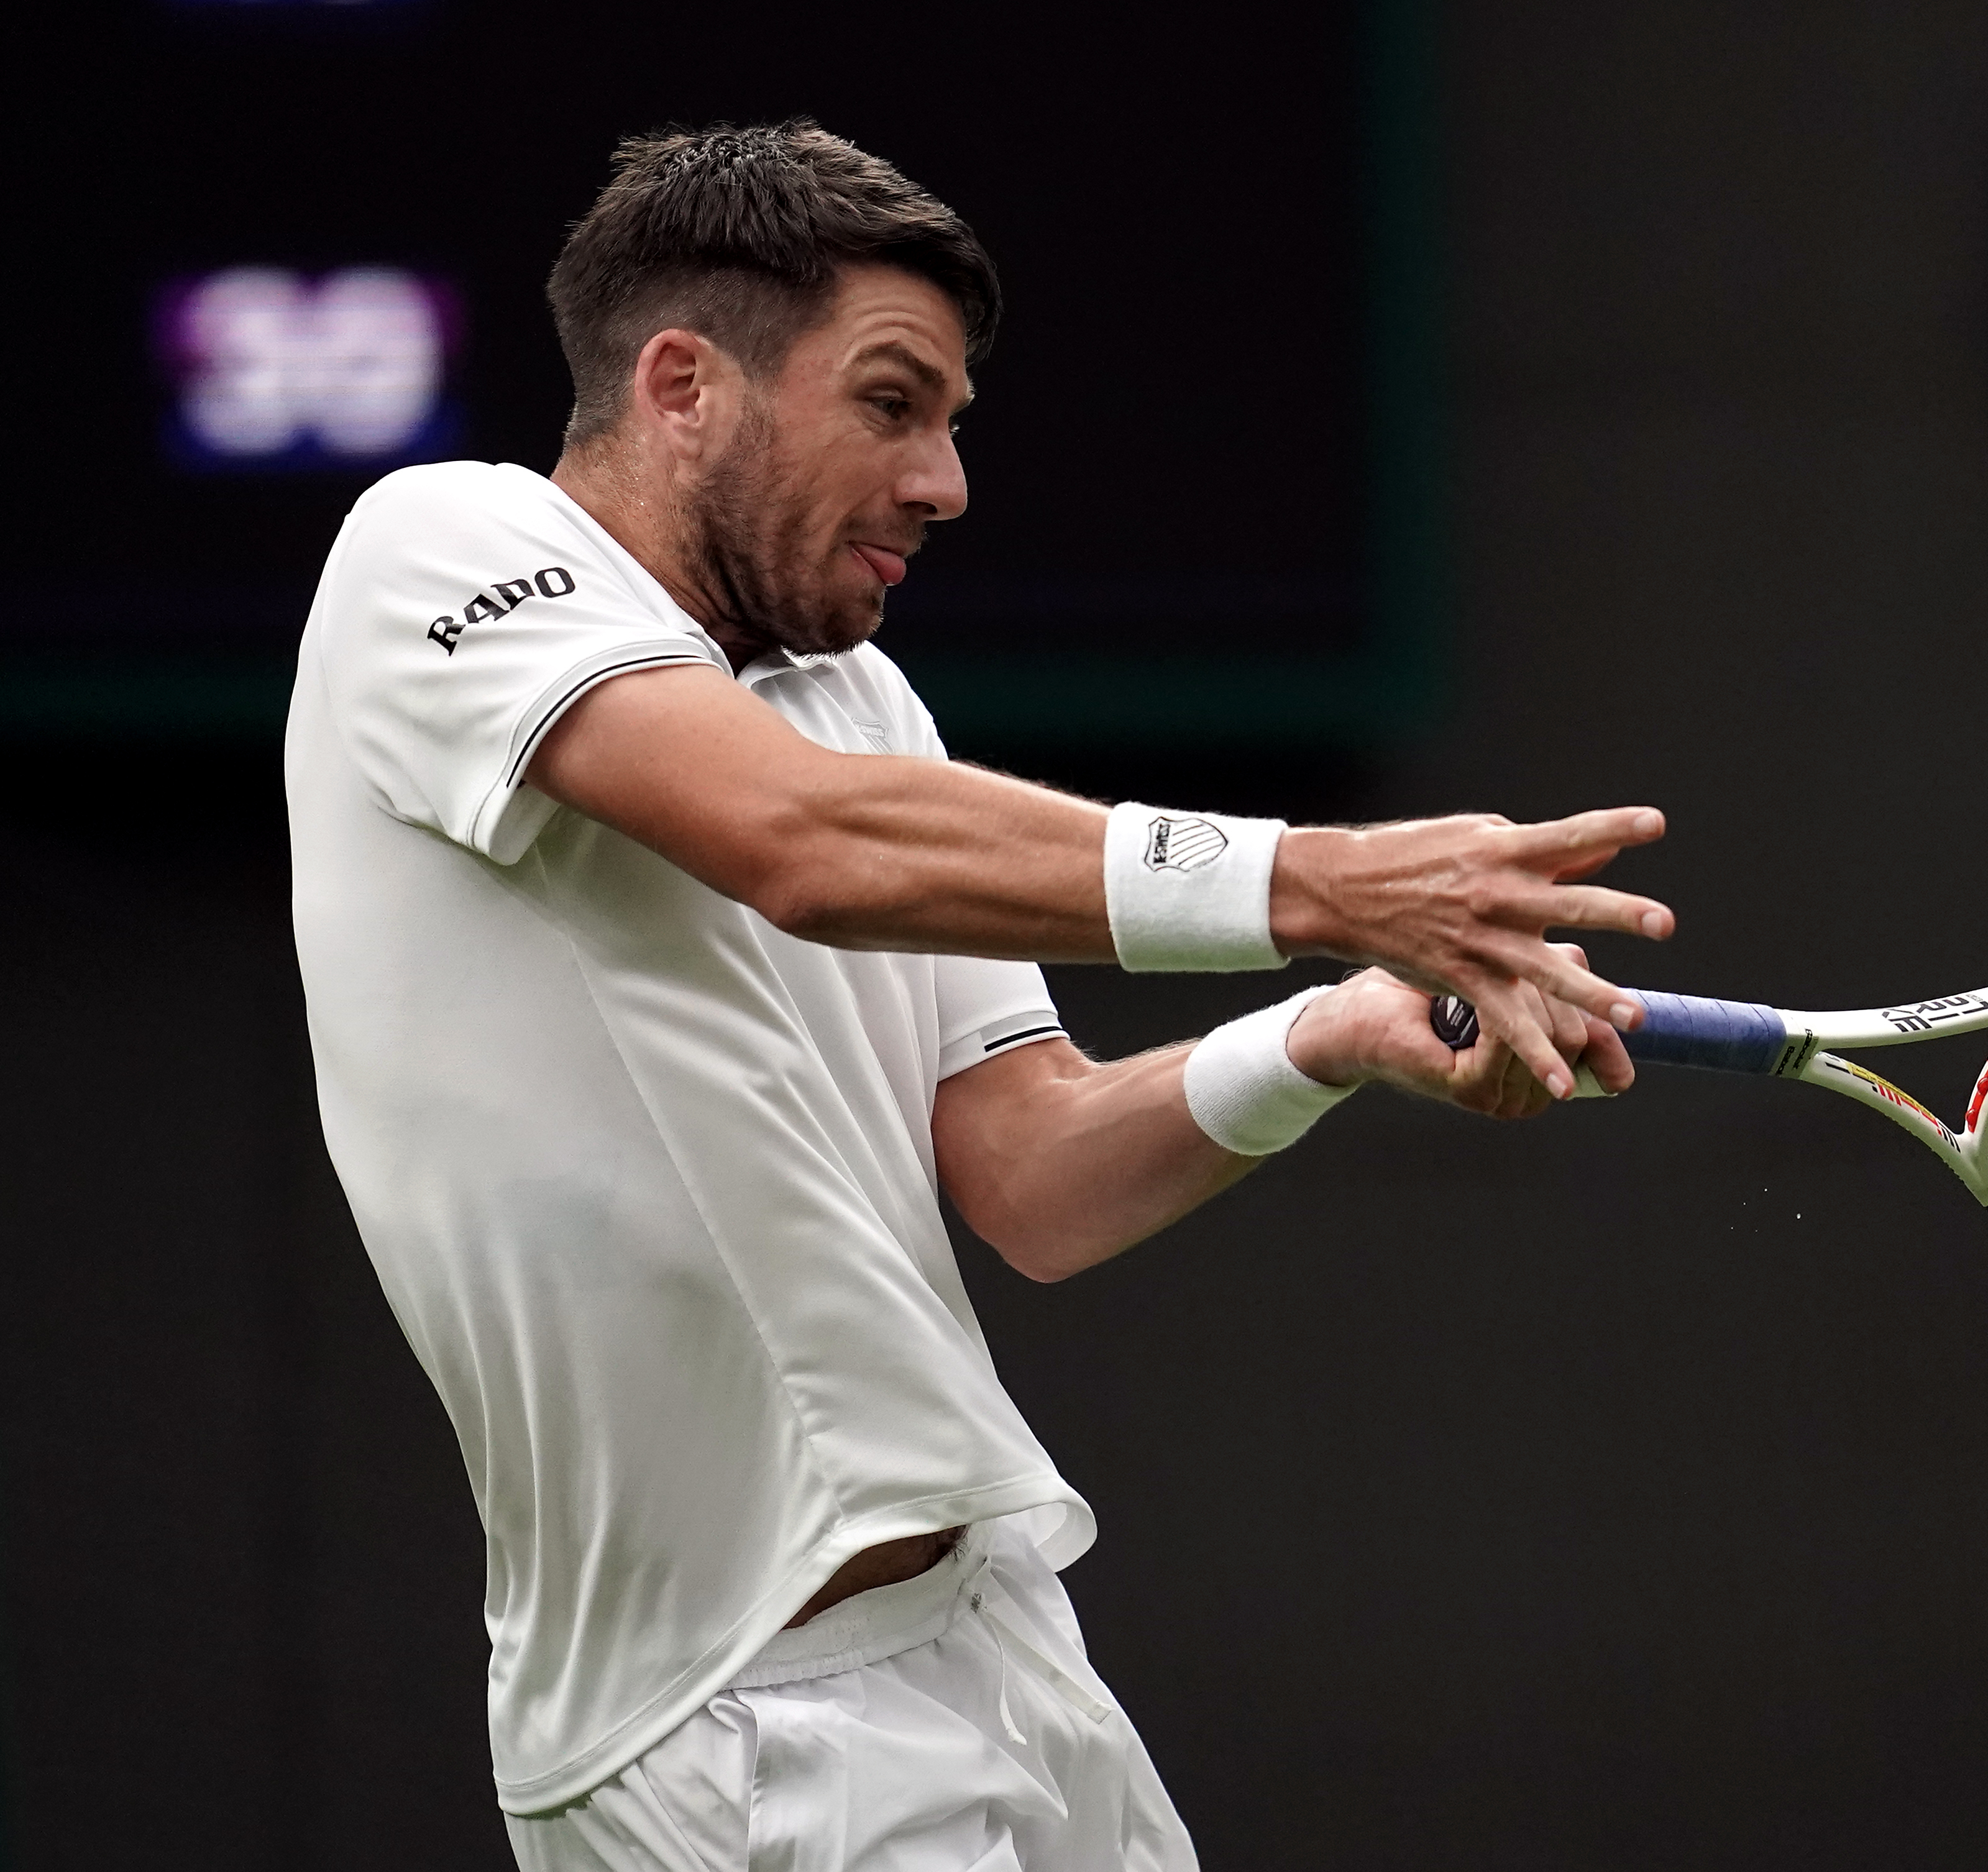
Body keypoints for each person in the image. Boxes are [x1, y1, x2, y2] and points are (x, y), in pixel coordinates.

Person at [284, 121, 1670, 1871]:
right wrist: (1321, 879)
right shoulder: (434, 544)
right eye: (890, 402)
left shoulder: (862, 704)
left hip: (996, 1654)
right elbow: (789, 841)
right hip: (727, 1729)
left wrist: (1319, 1030)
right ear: (681, 383)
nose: (944, 480)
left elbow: (1031, 1175)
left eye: (952, 422)